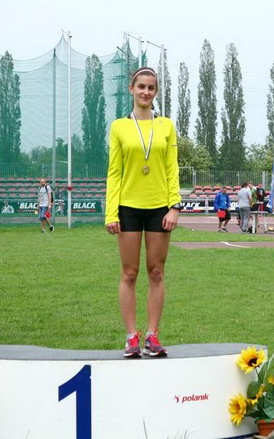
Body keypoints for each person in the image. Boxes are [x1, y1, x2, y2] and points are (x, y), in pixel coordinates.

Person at [105, 66, 181, 359]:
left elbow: (172, 167)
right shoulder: (119, 127)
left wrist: (174, 206)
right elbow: (114, 172)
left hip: (159, 207)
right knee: (129, 272)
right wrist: (111, 212)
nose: (146, 92)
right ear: (131, 89)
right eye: (141, 87)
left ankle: (152, 335)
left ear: (156, 92)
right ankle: (131, 337)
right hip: (128, 207)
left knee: (156, 271)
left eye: (151, 88)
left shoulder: (166, 126)